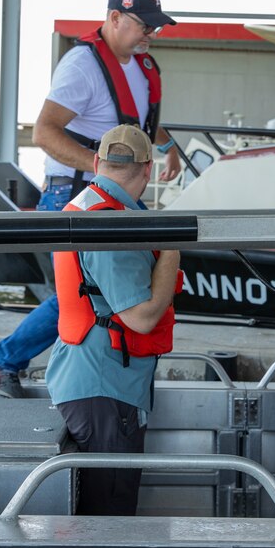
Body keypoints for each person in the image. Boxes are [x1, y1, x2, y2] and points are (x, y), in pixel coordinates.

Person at [0, 0, 181, 398]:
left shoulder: (137, 69)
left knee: (110, 287)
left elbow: (139, 120)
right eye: (145, 26)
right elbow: (44, 133)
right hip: (78, 196)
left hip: (118, 197)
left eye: (155, 28)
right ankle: (3, 359)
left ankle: (101, 368)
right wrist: (100, 167)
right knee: (81, 292)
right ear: (115, 18)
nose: (151, 35)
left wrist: (167, 146)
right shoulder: (82, 65)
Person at [45, 124, 182, 515]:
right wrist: (172, 251)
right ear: (148, 170)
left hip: (94, 382)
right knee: (110, 516)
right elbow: (140, 318)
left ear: (95, 163)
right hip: (106, 387)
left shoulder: (90, 207)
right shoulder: (112, 224)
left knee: (102, 507)